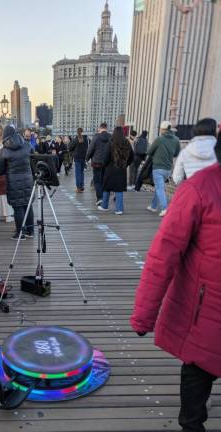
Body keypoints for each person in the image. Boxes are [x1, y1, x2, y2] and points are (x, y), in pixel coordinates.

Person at [130, 132, 221, 432]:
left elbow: (163, 256)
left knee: (193, 410)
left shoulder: (199, 189)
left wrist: (144, 317)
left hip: (205, 322)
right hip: (209, 317)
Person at [0, 125, 34, 240]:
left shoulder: (4, 151)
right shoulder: (28, 145)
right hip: (28, 180)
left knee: (18, 207)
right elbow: (34, 160)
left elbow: (0, 171)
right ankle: (30, 231)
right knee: (28, 205)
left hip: (14, 182)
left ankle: (20, 233)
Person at [147, 121, 181, 217]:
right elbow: (176, 153)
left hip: (158, 167)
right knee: (159, 187)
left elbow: (149, 151)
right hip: (168, 168)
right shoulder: (176, 139)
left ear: (162, 129)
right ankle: (153, 206)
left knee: (159, 188)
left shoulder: (159, 139)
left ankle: (165, 208)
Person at [97, 127, 134, 215]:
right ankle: (119, 209)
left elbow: (106, 157)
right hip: (121, 169)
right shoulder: (127, 142)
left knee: (106, 187)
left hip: (110, 169)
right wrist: (125, 164)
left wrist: (104, 165)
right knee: (119, 189)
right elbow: (132, 157)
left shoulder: (110, 142)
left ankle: (104, 206)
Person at [173, 118, 217, 185]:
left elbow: (177, 179)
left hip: (193, 190)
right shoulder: (218, 150)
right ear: (214, 131)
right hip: (215, 192)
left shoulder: (185, 151)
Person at [86, 122, 111, 204]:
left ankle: (100, 198)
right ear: (106, 128)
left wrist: (87, 158)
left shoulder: (96, 137)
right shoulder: (110, 137)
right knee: (105, 180)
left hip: (97, 162)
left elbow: (91, 149)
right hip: (107, 162)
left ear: (99, 128)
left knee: (97, 181)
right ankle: (104, 197)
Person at [70, 127, 89, 193]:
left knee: (78, 173)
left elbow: (70, 147)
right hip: (83, 157)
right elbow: (87, 148)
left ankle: (78, 187)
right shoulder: (86, 139)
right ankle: (82, 186)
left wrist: (73, 151)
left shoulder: (75, 139)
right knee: (81, 172)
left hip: (77, 157)